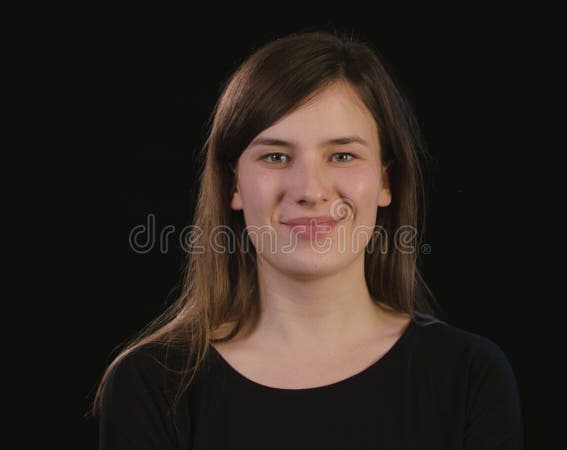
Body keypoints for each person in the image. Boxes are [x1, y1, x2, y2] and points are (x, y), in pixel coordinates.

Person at [93, 29, 523, 450]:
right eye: (276, 156)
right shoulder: (151, 387)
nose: (310, 189)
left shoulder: (469, 378)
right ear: (234, 186)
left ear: (385, 181)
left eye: (342, 155)